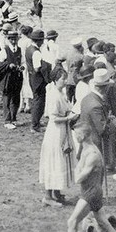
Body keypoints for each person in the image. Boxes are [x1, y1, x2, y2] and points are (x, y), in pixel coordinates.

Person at [64, 128, 116, 232]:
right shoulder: (87, 149)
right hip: (93, 191)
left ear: (82, 136)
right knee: (106, 225)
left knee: (72, 221)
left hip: (90, 194)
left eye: (76, 134)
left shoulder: (92, 154)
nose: (75, 137)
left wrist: (76, 170)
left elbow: (79, 178)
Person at [39, 66, 75, 206]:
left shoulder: (61, 92)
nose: (65, 81)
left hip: (62, 130)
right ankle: (48, 196)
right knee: (53, 161)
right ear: (55, 80)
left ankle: (57, 192)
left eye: (66, 78)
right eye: (62, 79)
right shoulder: (54, 94)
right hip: (55, 131)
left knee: (61, 160)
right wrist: (68, 118)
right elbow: (53, 118)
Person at [0, 30, 24, 128]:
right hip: (7, 78)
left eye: (15, 39)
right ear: (8, 39)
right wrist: (8, 65)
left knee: (16, 97)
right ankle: (7, 121)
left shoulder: (20, 50)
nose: (13, 41)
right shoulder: (4, 51)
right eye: (11, 39)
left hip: (17, 77)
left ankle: (14, 118)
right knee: (7, 98)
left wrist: (22, 67)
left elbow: (23, 62)